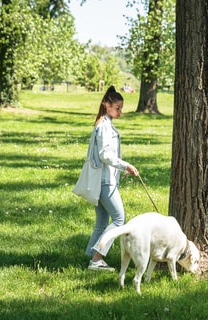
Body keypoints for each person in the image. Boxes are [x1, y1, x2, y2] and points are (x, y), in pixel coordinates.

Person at [85, 85, 139, 271]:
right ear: (106, 104)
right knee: (119, 220)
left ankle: (92, 257)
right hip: (105, 181)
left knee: (101, 221)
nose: (120, 112)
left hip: (104, 178)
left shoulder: (103, 123)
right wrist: (126, 165)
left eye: (121, 108)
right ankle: (97, 259)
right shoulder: (104, 127)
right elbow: (105, 155)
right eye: (117, 108)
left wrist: (120, 168)